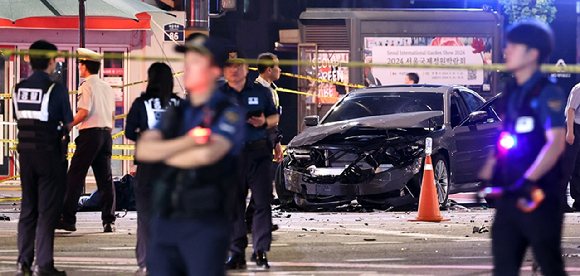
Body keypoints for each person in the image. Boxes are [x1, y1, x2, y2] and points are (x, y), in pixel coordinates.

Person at [135, 34, 244, 276]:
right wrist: (188, 141)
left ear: (215, 70)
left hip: (204, 224)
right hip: (165, 221)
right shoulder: (176, 113)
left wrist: (165, 152)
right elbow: (143, 149)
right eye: (187, 59)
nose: (187, 66)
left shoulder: (228, 114)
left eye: (196, 60)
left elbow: (206, 155)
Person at [478, 19, 567, 275]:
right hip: (509, 195)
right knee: (504, 266)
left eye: (514, 45)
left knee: (550, 266)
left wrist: (530, 180)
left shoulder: (546, 92)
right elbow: (504, 135)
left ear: (533, 53)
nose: (506, 51)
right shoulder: (511, 91)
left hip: (538, 195)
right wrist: (486, 173)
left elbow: (556, 141)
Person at [14, 40, 72, 276]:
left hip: (25, 155)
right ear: (51, 61)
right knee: (47, 211)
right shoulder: (55, 89)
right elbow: (68, 122)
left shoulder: (19, 88)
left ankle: (23, 263)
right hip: (49, 154)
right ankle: (44, 265)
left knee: (28, 209)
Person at [125, 62, 185, 276]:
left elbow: (129, 132)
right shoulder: (178, 104)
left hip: (148, 169)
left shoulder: (142, 103)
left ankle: (145, 262)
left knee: (145, 218)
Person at [222, 49, 279, 269]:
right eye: (230, 68)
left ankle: (260, 251)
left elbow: (275, 117)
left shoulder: (261, 91)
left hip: (258, 153)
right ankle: (236, 253)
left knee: (262, 203)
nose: (235, 72)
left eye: (239, 67)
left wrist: (264, 121)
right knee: (234, 205)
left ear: (246, 70)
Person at [58, 48, 116, 233]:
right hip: (106, 134)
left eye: (80, 64)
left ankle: (68, 219)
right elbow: (113, 115)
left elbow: (84, 112)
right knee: (105, 179)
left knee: (75, 176)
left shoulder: (86, 86)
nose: (79, 67)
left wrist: (67, 125)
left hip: (90, 134)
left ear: (84, 66)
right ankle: (109, 221)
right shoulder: (107, 87)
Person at [245, 52, 283, 233]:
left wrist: (276, 144)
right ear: (269, 70)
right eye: (277, 66)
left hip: (267, 142)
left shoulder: (271, 89)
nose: (280, 70)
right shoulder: (257, 91)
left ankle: (253, 221)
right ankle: (250, 221)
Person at [562, 82, 580, 211]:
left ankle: (578, 200)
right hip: (574, 127)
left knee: (578, 167)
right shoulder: (579, 88)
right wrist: (570, 132)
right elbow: (570, 110)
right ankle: (560, 202)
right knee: (568, 166)